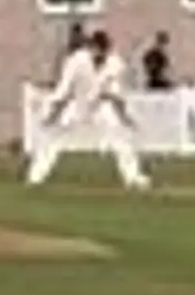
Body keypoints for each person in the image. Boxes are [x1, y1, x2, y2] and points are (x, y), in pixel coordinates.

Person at [25, 30, 150, 190]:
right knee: (52, 138)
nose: (100, 55)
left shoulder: (115, 64)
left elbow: (115, 94)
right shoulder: (76, 61)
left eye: (103, 52)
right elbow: (64, 89)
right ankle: (35, 177)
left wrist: (124, 117)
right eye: (96, 50)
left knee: (120, 135)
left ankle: (133, 177)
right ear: (91, 48)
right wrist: (54, 114)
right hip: (77, 104)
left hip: (100, 107)